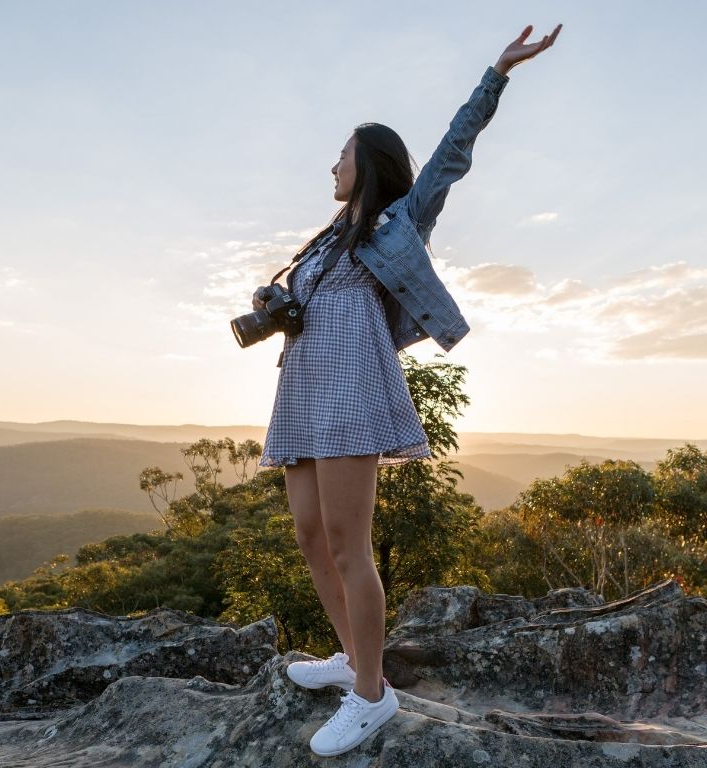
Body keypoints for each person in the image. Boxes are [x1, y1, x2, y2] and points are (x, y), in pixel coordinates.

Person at [253, 23, 562, 758]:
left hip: (353, 392)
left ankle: (371, 697)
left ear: (371, 166)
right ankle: (354, 659)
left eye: (342, 156)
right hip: (302, 389)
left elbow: (454, 153)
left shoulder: (400, 222)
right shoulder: (326, 239)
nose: (331, 165)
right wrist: (272, 301)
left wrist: (497, 73)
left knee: (348, 545)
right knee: (308, 537)